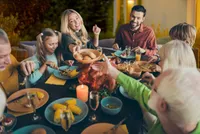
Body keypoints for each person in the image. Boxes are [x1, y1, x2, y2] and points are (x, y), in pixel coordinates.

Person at [92, 56, 200, 134]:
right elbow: (140, 90)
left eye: (154, 89)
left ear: (162, 105)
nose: (148, 89)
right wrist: (114, 72)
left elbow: (142, 91)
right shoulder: (177, 114)